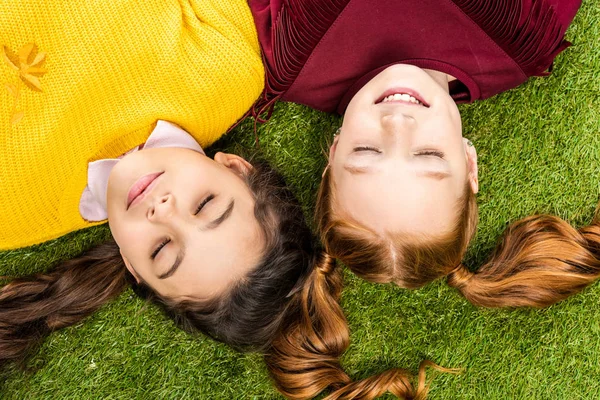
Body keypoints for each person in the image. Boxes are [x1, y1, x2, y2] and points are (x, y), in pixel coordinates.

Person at [1, 1, 442, 398]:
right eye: (205, 205)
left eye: (162, 250)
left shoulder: (14, 216)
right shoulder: (223, 67)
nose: (163, 210)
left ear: (134, 269)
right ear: (234, 167)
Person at [250, 0, 590, 308]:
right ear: (469, 162)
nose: (397, 123)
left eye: (367, 151)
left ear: (335, 150)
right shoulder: (519, 39)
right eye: (428, 155)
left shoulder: (293, 54)